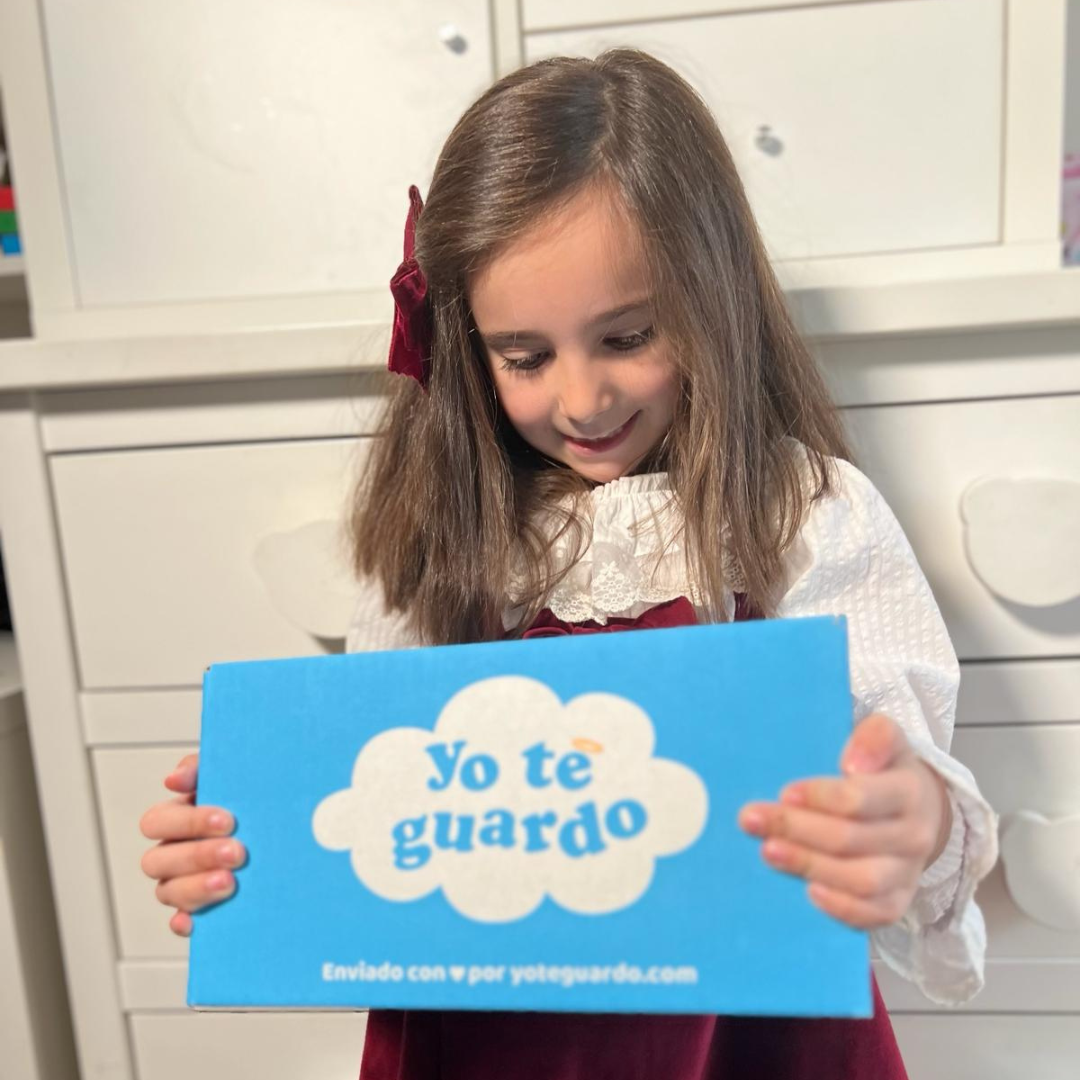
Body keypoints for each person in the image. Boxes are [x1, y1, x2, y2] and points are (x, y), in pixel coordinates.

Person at [139, 49, 997, 1079]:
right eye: (527, 357)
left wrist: (909, 819)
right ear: (469, 352)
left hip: (749, 1035)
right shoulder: (450, 540)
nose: (584, 400)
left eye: (627, 337)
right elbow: (371, 795)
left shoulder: (798, 512)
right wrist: (248, 854)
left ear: (711, 297)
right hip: (480, 1038)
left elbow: (897, 751)